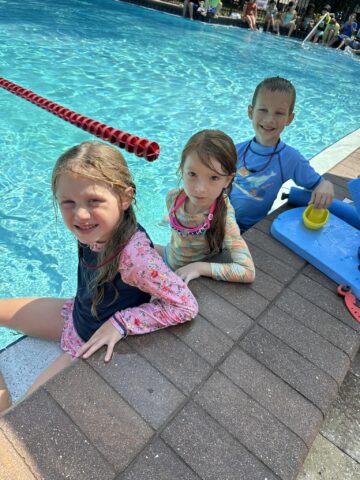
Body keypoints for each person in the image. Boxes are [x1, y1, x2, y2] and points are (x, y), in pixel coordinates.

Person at [0, 141, 198, 413]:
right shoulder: (94, 230)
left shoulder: (135, 258)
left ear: (125, 198)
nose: (80, 214)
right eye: (68, 203)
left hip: (88, 344)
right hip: (74, 315)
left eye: (94, 201)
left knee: (15, 420)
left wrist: (121, 322)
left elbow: (185, 305)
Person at [229, 77, 335, 233]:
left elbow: (319, 184)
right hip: (220, 222)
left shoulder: (289, 158)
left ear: (289, 119)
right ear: (250, 112)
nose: (270, 119)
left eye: (279, 113)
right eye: (263, 110)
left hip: (249, 231)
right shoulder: (235, 151)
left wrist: (327, 185)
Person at [156, 130, 255, 285]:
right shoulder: (173, 197)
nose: (200, 188)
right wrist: (168, 219)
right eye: (192, 174)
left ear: (227, 180)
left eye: (214, 178)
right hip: (169, 255)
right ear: (182, 169)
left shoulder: (223, 218)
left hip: (182, 274)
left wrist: (198, 268)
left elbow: (247, 271)